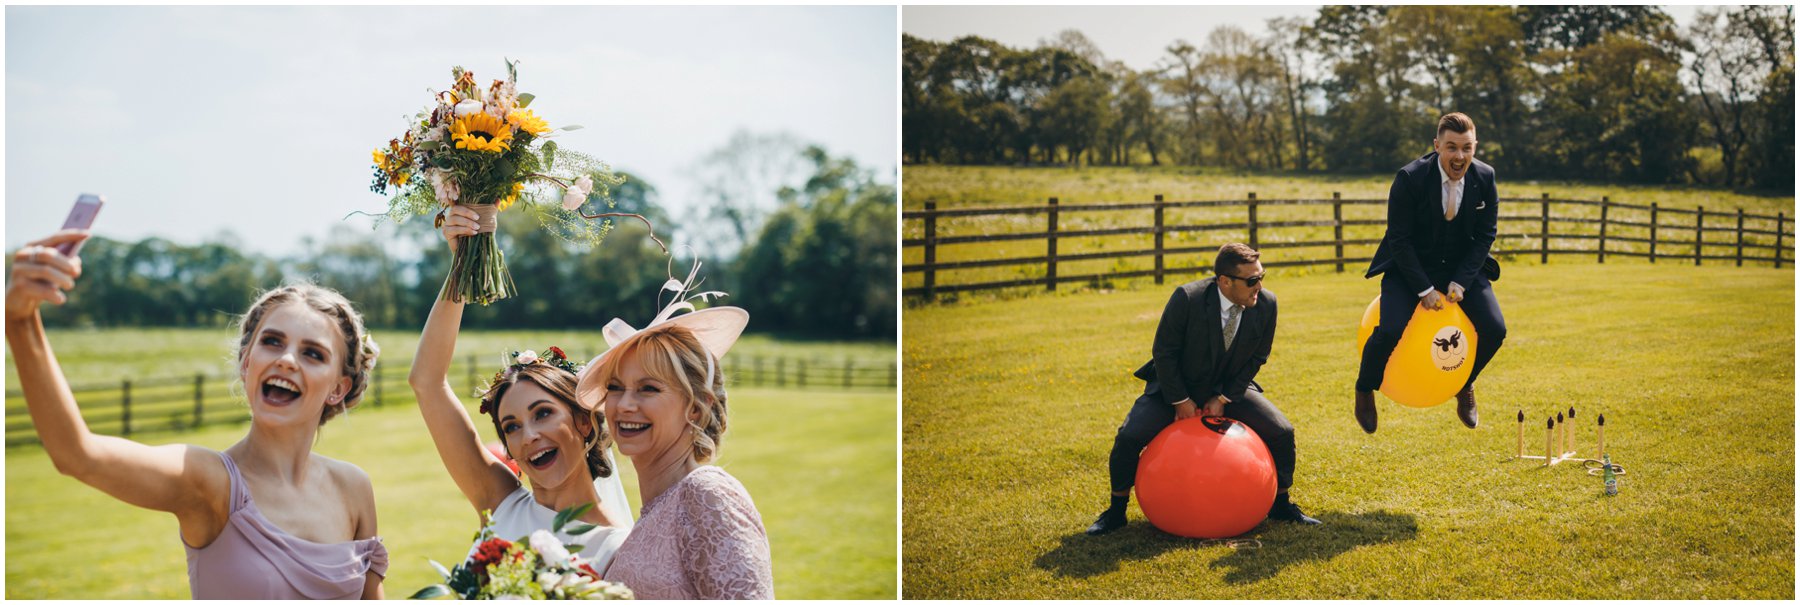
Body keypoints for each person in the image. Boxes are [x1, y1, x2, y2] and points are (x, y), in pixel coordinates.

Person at [5, 230, 387, 599]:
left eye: (312, 353)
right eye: (272, 342)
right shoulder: (208, 482)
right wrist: (20, 322)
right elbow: (77, 454)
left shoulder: (353, 488)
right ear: (246, 362)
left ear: (339, 387)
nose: (286, 360)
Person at [407, 205, 633, 570]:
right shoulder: (498, 500)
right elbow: (426, 382)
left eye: (542, 413)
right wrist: (464, 264)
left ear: (584, 423)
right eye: (511, 426)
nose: (528, 435)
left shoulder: (621, 549)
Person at [1088, 243, 1319, 535]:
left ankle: (1282, 505)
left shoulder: (1267, 304)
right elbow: (1165, 353)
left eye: (1262, 277)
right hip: (1175, 389)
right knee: (1129, 436)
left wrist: (1223, 397)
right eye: (1251, 280)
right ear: (1224, 281)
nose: (1259, 286)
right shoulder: (1188, 298)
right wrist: (1180, 400)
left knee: (1282, 431)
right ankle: (1116, 512)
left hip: (1229, 390)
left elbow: (1258, 356)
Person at [573, 278, 774, 599]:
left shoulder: (706, 494)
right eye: (615, 387)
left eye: (648, 388)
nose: (624, 404)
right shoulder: (655, 509)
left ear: (696, 408)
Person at [1355, 112, 1506, 434]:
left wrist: (1462, 281)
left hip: (1461, 268)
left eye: (1467, 148)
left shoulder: (1486, 177)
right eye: (1452, 147)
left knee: (1495, 330)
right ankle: (1365, 389)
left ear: (1475, 146)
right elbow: (1399, 239)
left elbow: (1485, 236)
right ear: (1437, 145)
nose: (1460, 156)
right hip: (1409, 267)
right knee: (1389, 330)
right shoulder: (1409, 178)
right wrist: (1424, 289)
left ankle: (1464, 385)